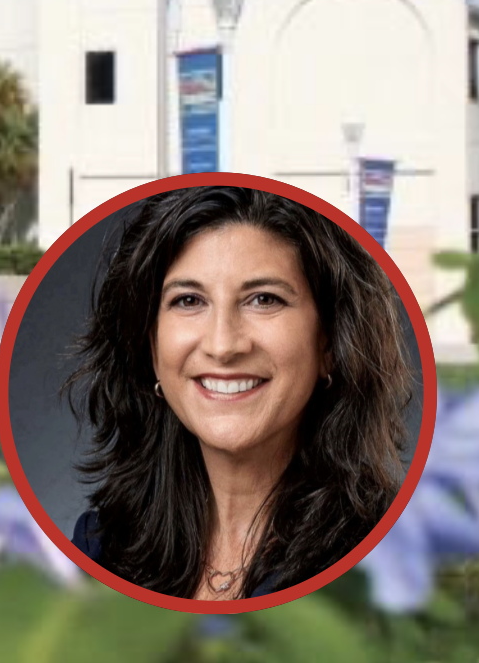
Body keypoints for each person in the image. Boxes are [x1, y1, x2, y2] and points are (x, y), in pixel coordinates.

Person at [61, 185, 413, 600]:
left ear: (330, 344)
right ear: (150, 345)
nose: (223, 345)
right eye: (189, 300)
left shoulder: (387, 564)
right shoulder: (99, 548)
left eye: (264, 299)